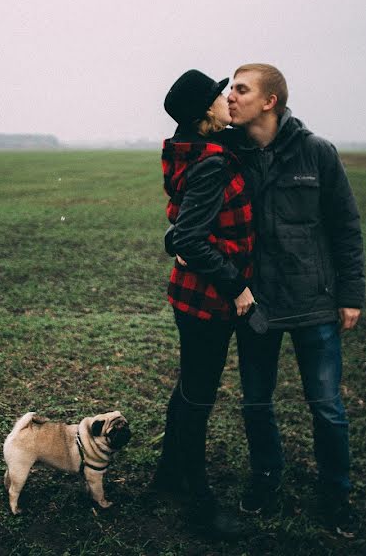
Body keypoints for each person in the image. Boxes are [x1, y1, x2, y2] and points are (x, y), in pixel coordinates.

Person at [222, 63, 365, 538]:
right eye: (230, 88)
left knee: (326, 406)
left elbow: (345, 226)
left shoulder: (317, 152)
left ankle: (336, 493)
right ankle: (265, 477)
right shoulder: (228, 154)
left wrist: (351, 295)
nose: (231, 96)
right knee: (256, 404)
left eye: (241, 89)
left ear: (270, 101)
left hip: (314, 303)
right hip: (256, 305)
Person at [153, 69, 256, 540]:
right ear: (202, 115)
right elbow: (192, 236)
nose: (225, 99)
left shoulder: (188, 147)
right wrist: (236, 286)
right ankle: (199, 501)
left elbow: (184, 228)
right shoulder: (211, 159)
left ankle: (167, 477)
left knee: (188, 390)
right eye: (218, 96)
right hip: (208, 300)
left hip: (190, 293)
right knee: (198, 398)